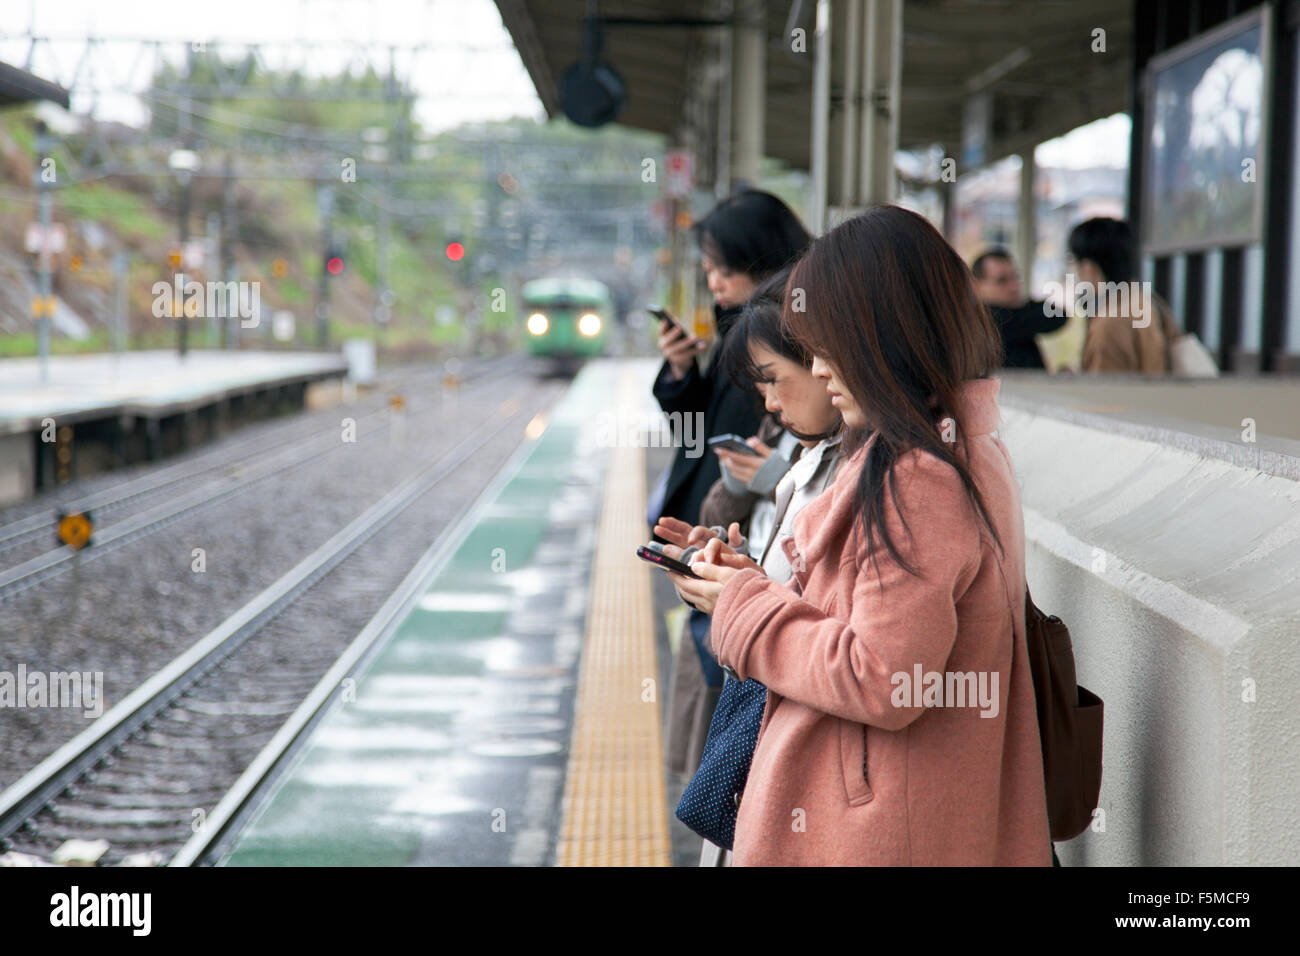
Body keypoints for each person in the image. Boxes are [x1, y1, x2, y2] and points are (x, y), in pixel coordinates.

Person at [666, 205, 1052, 866]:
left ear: (881, 336)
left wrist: (740, 603)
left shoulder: (915, 478)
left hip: (869, 833)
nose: (817, 369)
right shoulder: (960, 447)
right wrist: (749, 584)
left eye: (825, 344)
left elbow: (880, 676)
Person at [656, 274, 844, 866]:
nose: (768, 402)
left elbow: (861, 663)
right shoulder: (822, 450)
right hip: (771, 717)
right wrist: (738, 573)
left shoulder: (888, 474)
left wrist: (740, 591)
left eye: (773, 381)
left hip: (796, 739)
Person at [653, 191, 812, 786]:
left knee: (725, 731)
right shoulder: (744, 330)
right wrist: (680, 374)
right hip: (731, 543)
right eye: (709, 271)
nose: (715, 282)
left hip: (746, 550)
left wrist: (766, 475)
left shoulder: (788, 331)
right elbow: (702, 429)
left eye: (724, 268)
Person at [1070, 217, 1180, 373]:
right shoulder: (1149, 303)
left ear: (1088, 268)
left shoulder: (1108, 326)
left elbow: (1101, 391)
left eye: (1075, 265)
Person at [971, 247, 1065, 369]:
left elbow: (1056, 315)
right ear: (976, 286)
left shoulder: (1017, 317)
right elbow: (1053, 316)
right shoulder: (983, 322)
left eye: (1016, 277)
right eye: (1002, 281)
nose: (1014, 287)